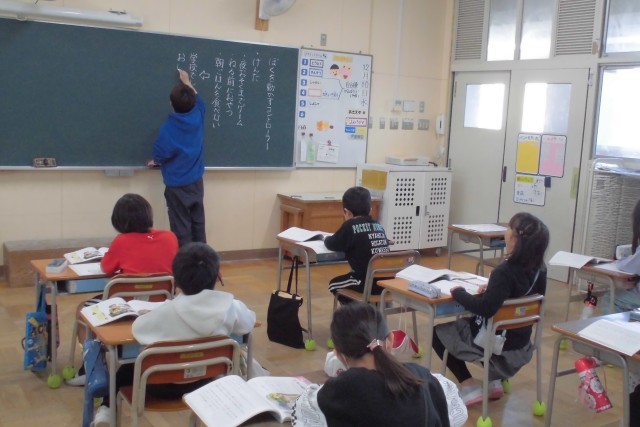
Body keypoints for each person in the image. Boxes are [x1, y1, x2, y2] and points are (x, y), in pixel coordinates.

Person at [92, 242, 256, 427]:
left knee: (126, 368)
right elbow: (249, 322)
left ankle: (107, 409)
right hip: (208, 385)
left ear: (176, 279)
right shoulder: (230, 306)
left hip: (159, 388)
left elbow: (138, 330)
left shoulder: (165, 312)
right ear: (217, 277)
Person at [432, 212, 549, 407]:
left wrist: (459, 293)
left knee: (439, 334)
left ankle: (469, 386)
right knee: (489, 323)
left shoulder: (504, 271)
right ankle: (494, 383)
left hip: (497, 346)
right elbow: (526, 298)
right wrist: (495, 290)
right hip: (520, 345)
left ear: (514, 239)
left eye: (508, 227)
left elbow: (485, 308)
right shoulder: (540, 270)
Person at [291, 302, 466, 427]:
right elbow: (459, 414)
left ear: (338, 354)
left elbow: (301, 412)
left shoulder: (336, 392)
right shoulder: (426, 379)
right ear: (390, 340)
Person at [67, 193, 179, 386]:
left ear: (119, 221)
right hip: (162, 304)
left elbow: (106, 268)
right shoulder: (170, 237)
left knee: (82, 310)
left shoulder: (121, 241)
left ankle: (91, 369)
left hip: (126, 308)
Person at [147, 68, 206, 247]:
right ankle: (202, 260)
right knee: (198, 223)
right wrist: (187, 82)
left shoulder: (168, 129)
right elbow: (197, 98)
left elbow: (160, 154)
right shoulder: (198, 115)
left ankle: (184, 261)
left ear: (171, 104)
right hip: (196, 182)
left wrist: (155, 162)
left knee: (181, 228)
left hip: (177, 185)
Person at [324, 186, 390, 296]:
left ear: (347, 212)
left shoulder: (350, 225)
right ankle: (370, 306)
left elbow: (332, 244)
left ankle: (358, 307)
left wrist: (325, 239)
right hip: (386, 284)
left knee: (333, 285)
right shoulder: (377, 224)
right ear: (370, 210)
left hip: (365, 282)